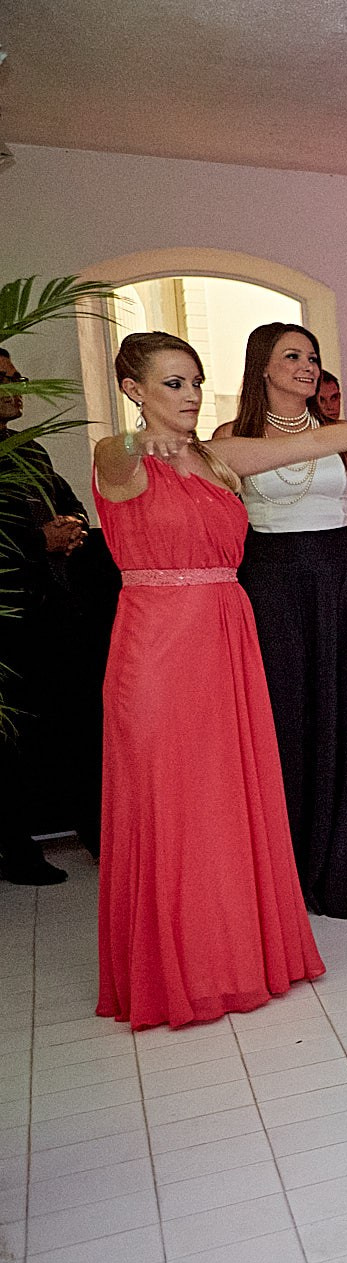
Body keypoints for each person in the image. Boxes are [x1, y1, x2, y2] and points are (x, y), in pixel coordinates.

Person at [93, 330, 347, 1028]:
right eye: (172, 383)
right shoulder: (120, 455)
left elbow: (319, 442)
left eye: (196, 381)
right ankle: (176, 965)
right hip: (159, 645)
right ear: (133, 390)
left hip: (229, 634)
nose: (190, 395)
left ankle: (235, 952)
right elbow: (112, 455)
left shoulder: (218, 455)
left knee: (232, 796)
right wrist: (135, 441)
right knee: (171, 800)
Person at [218, 322, 347, 919]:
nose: (307, 366)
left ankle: (346, 857)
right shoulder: (230, 437)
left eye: (312, 357)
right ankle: (284, 863)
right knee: (285, 715)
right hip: (269, 581)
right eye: (292, 356)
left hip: (342, 579)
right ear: (263, 368)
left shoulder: (344, 436)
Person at [0, 348, 102, 883]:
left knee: (79, 722)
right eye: (5, 379)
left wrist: (72, 526)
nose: (17, 387)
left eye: (17, 376)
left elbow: (69, 502)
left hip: (55, 608)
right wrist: (36, 540)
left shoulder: (31, 449)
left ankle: (100, 833)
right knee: (12, 739)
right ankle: (17, 851)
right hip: (8, 617)